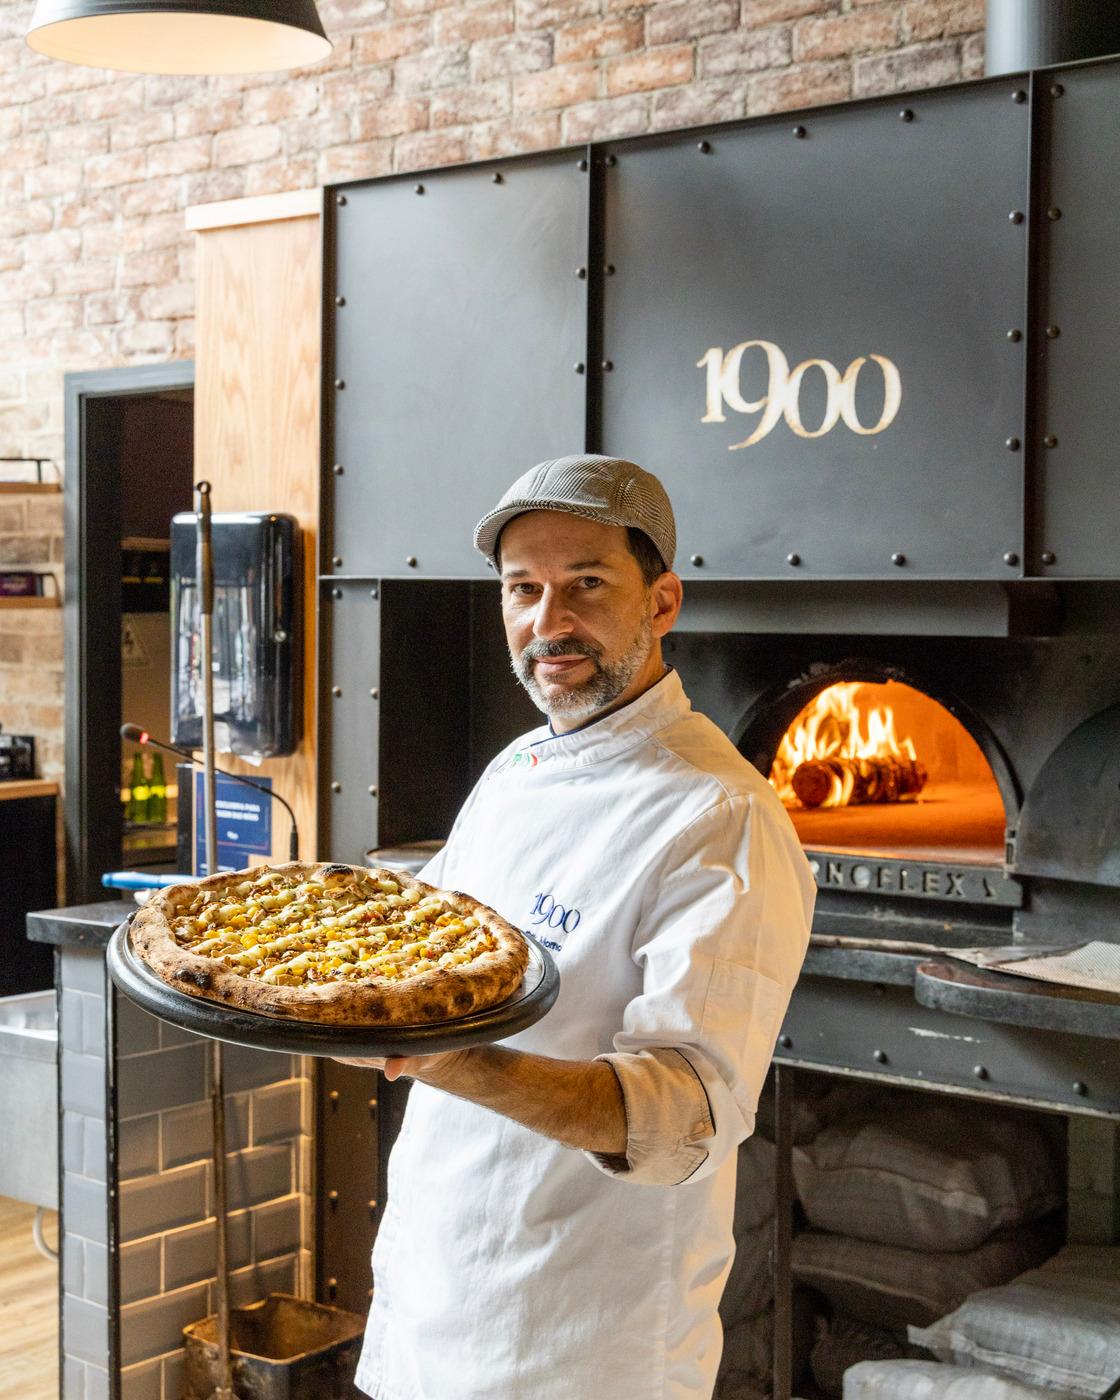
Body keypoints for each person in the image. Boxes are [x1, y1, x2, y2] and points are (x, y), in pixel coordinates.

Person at [348, 454, 815, 1400]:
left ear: (664, 601)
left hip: (581, 1336)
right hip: (438, 1283)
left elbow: (688, 1117)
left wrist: (456, 1062)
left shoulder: (720, 816)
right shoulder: (519, 767)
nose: (548, 622)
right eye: (523, 588)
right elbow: (411, 946)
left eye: (586, 585)